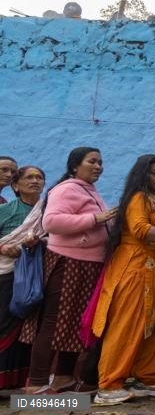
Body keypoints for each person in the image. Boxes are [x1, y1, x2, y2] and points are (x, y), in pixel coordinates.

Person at [92, 154, 155, 405]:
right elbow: (140, 230)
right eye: (154, 173)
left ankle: (147, 378)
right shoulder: (138, 198)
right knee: (128, 324)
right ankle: (109, 385)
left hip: (154, 269)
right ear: (142, 174)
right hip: (133, 267)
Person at [21, 149, 116, 395]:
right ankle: (37, 382)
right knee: (53, 322)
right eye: (92, 162)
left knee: (75, 323)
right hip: (68, 262)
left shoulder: (88, 190)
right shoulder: (66, 189)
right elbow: (51, 222)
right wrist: (96, 219)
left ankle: (63, 378)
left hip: (89, 264)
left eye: (100, 162)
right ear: (75, 166)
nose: (98, 166)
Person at [0, 166, 45, 390]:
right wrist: (4, 246)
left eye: (39, 178)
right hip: (6, 275)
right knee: (4, 324)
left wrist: (38, 243)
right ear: (15, 185)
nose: (35, 181)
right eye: (29, 177)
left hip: (35, 275)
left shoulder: (48, 211)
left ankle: (18, 382)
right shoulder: (6, 210)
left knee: (28, 327)